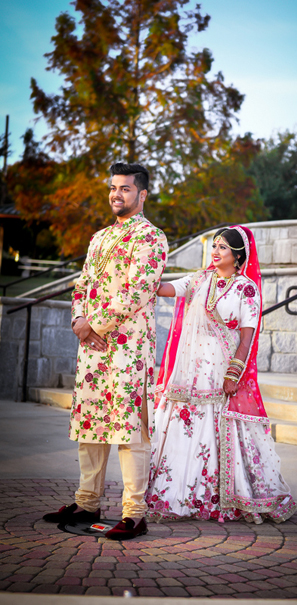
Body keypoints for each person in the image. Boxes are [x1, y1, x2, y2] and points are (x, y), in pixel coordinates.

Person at [43, 162, 168, 540]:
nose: (117, 194)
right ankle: (87, 501)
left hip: (128, 348)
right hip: (93, 349)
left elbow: (137, 291)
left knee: (130, 429)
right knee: (92, 425)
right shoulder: (98, 238)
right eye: (113, 188)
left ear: (142, 194)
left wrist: (94, 325)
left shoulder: (151, 237)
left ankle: (134, 512)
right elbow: (81, 284)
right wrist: (80, 319)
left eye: (126, 189)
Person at [146, 225, 297, 524]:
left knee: (218, 433)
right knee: (183, 427)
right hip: (188, 375)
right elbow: (166, 289)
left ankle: (220, 497)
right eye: (214, 245)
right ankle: (179, 497)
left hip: (220, 374)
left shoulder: (246, 288)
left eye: (222, 247)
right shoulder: (201, 279)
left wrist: (233, 374)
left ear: (238, 255)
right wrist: (144, 272)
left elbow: (246, 337)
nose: (215, 251)